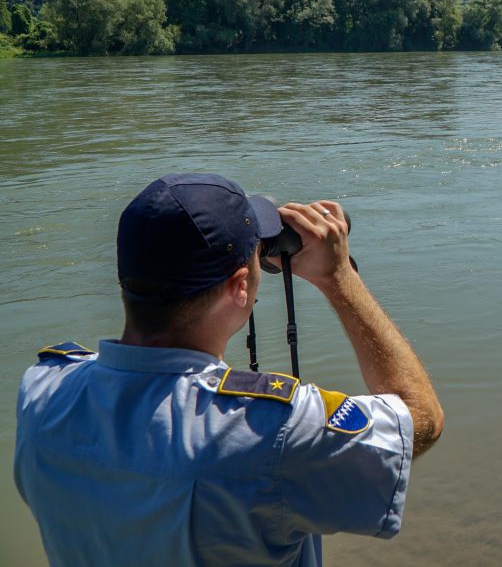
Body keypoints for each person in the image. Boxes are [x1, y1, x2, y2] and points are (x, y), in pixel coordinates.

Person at [14, 173, 443, 567]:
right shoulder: (274, 431)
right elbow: (421, 418)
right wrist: (337, 277)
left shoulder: (44, 392)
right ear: (240, 287)